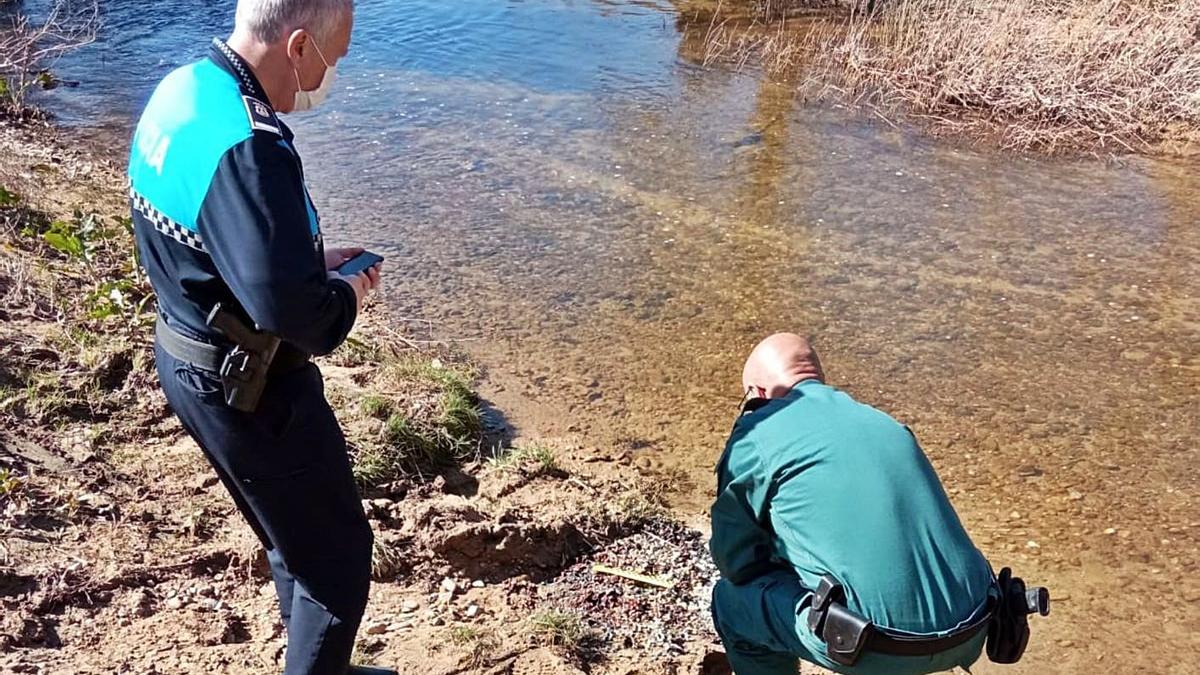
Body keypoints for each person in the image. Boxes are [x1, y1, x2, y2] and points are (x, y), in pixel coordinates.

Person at [127, 1, 391, 673]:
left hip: (186, 353)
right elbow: (303, 320)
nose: (338, 73)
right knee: (335, 562)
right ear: (300, 47)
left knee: (291, 538)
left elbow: (207, 235)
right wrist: (345, 292)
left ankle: (317, 662)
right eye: (338, 57)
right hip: (251, 389)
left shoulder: (186, 89)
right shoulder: (252, 146)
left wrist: (298, 263)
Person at [709, 333, 1000, 675]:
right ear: (815, 377)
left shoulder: (759, 430)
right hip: (976, 626)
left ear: (758, 393)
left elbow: (735, 562)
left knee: (730, 603)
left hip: (873, 645)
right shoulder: (886, 423)